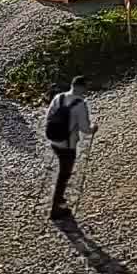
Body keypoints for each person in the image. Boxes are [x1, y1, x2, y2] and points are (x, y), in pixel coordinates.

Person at [42, 76, 97, 219]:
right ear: (82, 88)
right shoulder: (80, 104)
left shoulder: (58, 97)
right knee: (64, 174)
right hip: (68, 145)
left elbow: (49, 117)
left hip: (54, 141)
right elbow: (85, 129)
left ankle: (59, 200)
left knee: (62, 171)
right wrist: (94, 128)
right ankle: (55, 209)